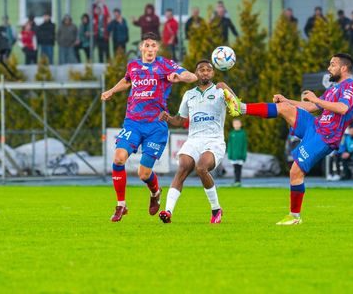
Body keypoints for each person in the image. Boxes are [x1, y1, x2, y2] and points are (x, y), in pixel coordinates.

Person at [223, 53, 353, 225]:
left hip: (325, 136)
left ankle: (294, 217)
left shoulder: (351, 86)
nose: (328, 68)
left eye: (332, 64)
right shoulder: (334, 88)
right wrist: (288, 101)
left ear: (344, 68)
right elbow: (311, 106)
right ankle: (241, 108)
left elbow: (342, 108)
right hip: (315, 126)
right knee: (284, 107)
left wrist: (316, 99)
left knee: (295, 172)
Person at [101, 32, 198, 222]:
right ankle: (121, 205)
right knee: (119, 158)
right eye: (147, 45)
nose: (150, 49)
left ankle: (155, 192)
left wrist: (179, 77)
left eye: (153, 45)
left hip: (156, 126)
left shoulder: (165, 64)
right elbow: (127, 81)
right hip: (133, 122)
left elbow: (192, 76)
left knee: (143, 173)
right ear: (141, 48)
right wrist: (111, 91)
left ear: (157, 48)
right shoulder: (133, 65)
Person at [158, 60, 233, 223]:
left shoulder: (220, 91)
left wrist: (227, 89)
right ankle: (168, 211)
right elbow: (180, 120)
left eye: (208, 70)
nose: (205, 72)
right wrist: (168, 118)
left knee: (201, 168)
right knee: (183, 167)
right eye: (201, 70)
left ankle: (216, 209)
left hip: (214, 141)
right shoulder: (189, 94)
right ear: (196, 73)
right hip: (193, 140)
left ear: (213, 73)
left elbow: (237, 107)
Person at [227, 118, 248, 187]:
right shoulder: (231, 133)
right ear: (233, 125)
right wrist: (229, 154)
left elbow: (244, 145)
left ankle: (238, 181)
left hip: (240, 156)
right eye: (235, 124)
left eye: (238, 123)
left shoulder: (243, 133)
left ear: (241, 124)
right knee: (235, 169)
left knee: (239, 169)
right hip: (233, 156)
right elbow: (230, 144)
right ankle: (236, 181)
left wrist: (244, 155)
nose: (236, 125)